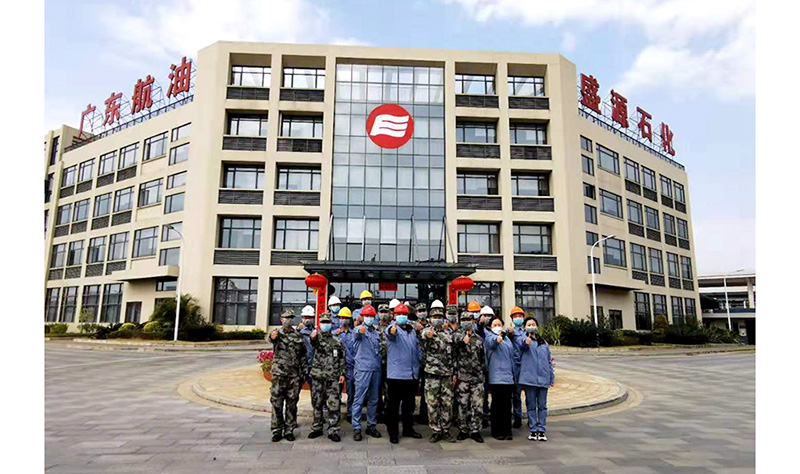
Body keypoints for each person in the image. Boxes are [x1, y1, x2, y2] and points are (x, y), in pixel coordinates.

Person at [384, 303, 423, 444]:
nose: (401, 316)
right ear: (394, 315)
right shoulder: (392, 328)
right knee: (393, 406)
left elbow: (416, 347)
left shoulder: (412, 330)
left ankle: (408, 429)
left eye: (404, 314)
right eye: (399, 314)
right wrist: (393, 330)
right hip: (396, 375)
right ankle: (393, 433)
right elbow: (390, 333)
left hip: (411, 374)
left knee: (409, 405)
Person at [268, 309, 307, 442]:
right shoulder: (277, 333)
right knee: (277, 403)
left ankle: (289, 430)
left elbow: (303, 355)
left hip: (293, 376)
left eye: (291, 317)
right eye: (286, 317)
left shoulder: (297, 336)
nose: (289, 320)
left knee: (292, 404)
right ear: (281, 319)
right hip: (279, 375)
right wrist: (272, 337)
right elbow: (270, 338)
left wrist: (303, 373)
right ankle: (277, 430)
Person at [515, 315, 555, 441]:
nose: (531, 326)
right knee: (531, 405)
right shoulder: (523, 340)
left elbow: (548, 361)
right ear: (524, 327)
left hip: (543, 379)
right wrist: (525, 343)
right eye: (529, 325)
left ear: (537, 327)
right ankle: (533, 429)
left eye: (533, 324)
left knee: (542, 406)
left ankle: (541, 429)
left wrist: (551, 376)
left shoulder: (544, 343)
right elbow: (520, 348)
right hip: (529, 379)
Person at [308, 313, 346, 442]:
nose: (325, 325)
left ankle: (333, 430)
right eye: (323, 322)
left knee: (333, 404)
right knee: (317, 403)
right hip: (318, 377)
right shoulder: (316, 337)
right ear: (320, 324)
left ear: (331, 324)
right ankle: (317, 427)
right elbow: (313, 342)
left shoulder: (337, 341)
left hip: (333, 378)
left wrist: (342, 374)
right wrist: (313, 337)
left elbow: (342, 358)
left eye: (327, 322)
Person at [421, 306, 455, 443]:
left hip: (447, 374)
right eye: (435, 317)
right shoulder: (427, 331)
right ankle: (436, 430)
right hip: (432, 374)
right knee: (432, 403)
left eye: (440, 317)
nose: (437, 320)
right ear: (430, 319)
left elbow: (453, 353)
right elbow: (423, 336)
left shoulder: (449, 333)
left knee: (447, 403)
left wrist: (454, 372)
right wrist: (428, 335)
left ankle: (446, 430)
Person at [351, 305, 383, 441]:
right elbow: (357, 334)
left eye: (371, 316)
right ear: (362, 317)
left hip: (375, 369)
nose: (369, 318)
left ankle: (371, 425)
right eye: (367, 316)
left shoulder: (377, 333)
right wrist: (360, 330)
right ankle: (356, 426)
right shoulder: (358, 329)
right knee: (359, 399)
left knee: (374, 399)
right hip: (362, 369)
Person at [453, 307, 485, 443]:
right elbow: (453, 353)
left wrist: (482, 373)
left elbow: (482, 358)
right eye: (464, 319)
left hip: (477, 378)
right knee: (462, 405)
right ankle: (463, 429)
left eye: (468, 319)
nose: (466, 322)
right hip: (463, 378)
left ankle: (475, 430)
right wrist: (462, 341)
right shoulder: (457, 336)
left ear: (473, 321)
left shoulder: (478, 339)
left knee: (477, 406)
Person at [484, 314, 516, 440]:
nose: (497, 327)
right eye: (495, 325)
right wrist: (498, 339)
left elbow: (511, 357)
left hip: (508, 377)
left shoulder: (507, 339)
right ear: (490, 327)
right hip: (496, 377)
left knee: (507, 405)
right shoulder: (490, 337)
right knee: (497, 405)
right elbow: (492, 344)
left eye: (499, 325)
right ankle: (496, 431)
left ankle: (507, 430)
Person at [335, 307, 356, 423]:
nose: (342, 320)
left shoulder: (354, 334)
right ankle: (335, 414)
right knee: (335, 392)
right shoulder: (335, 334)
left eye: (345, 318)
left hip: (351, 367)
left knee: (351, 392)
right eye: (341, 317)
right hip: (338, 368)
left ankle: (350, 413)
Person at [510, 306, 526, 429]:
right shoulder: (511, 332)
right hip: (515, 365)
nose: (518, 318)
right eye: (515, 316)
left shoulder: (527, 332)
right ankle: (517, 416)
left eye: (519, 316)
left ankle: (532, 417)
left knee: (530, 394)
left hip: (527, 365)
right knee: (516, 393)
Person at [478, 305, 495, 429]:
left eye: (489, 316)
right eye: (485, 315)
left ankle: (493, 415)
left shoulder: (494, 329)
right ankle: (483, 416)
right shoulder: (479, 329)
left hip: (493, 367)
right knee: (483, 394)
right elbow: (478, 329)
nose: (487, 318)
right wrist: (480, 323)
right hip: (482, 367)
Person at [413, 302, 430, 424]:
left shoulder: (431, 325)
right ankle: (410, 414)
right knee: (412, 389)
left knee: (426, 389)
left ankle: (424, 415)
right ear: (416, 313)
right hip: (415, 362)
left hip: (429, 362)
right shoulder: (413, 325)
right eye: (420, 311)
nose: (422, 313)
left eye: (424, 310)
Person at [299, 305, 316, 394]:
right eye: (305, 317)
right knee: (294, 391)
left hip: (313, 365)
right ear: (302, 318)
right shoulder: (298, 332)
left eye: (310, 317)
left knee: (315, 390)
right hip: (302, 366)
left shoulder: (316, 332)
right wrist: (298, 331)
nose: (307, 320)